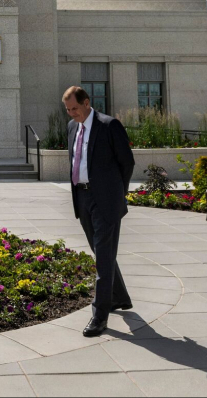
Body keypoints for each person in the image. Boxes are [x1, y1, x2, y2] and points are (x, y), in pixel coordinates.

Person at [62, 85, 135, 338]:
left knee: (103, 257)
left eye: (75, 108)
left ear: (86, 102)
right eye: (68, 110)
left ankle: (99, 316)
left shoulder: (108, 125)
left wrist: (117, 193)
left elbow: (127, 162)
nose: (72, 114)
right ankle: (119, 296)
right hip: (82, 198)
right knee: (100, 251)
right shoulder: (72, 127)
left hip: (105, 200)